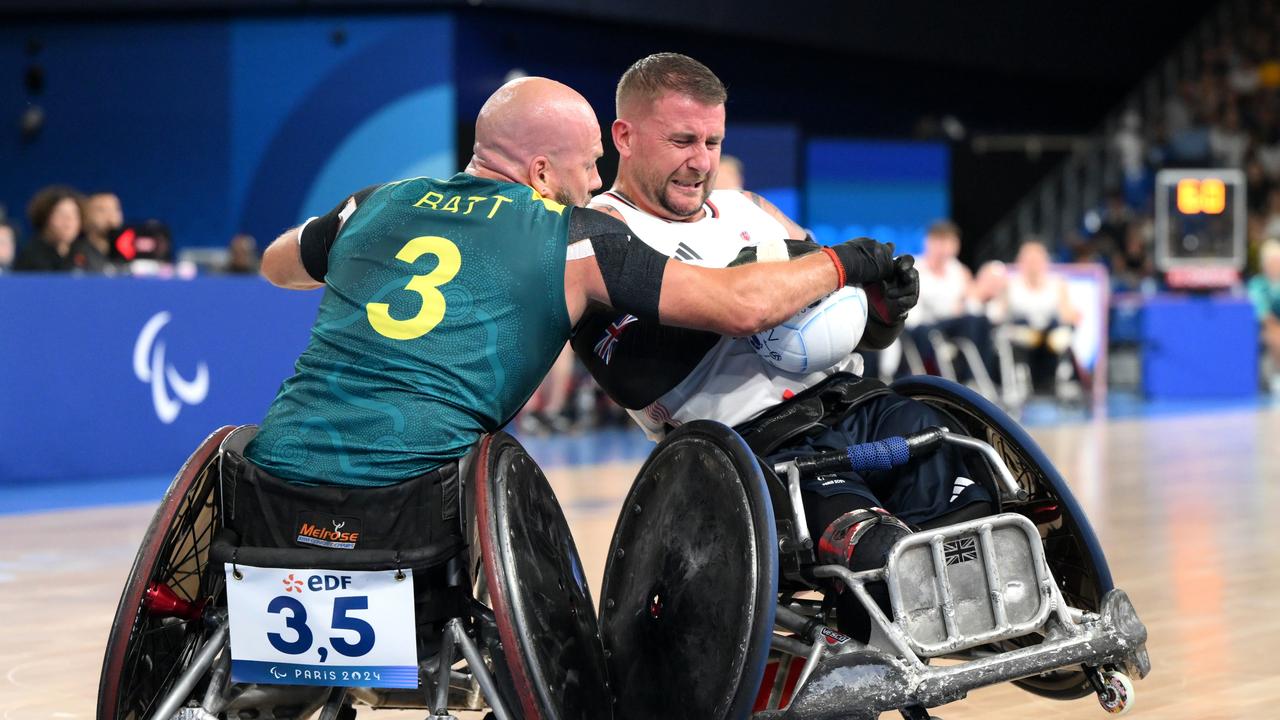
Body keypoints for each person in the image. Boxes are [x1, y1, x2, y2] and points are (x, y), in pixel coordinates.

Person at [241, 76, 893, 496]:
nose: (593, 184)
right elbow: (741, 304)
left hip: (280, 471)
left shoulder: (377, 203)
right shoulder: (574, 236)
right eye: (588, 169)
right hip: (420, 491)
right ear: (544, 171)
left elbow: (276, 265)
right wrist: (847, 262)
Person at [571, 54, 991, 641]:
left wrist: (879, 313)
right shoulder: (594, 237)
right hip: (755, 446)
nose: (701, 161)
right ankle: (864, 652)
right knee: (879, 550)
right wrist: (805, 277)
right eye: (682, 140)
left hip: (855, 402)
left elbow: (832, 316)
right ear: (625, 136)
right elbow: (657, 362)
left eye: (713, 141)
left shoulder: (750, 209)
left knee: (973, 503)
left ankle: (980, 622)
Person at [903, 220, 997, 383]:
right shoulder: (915, 268)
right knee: (928, 332)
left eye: (950, 242)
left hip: (950, 323)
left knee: (980, 321)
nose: (945, 248)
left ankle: (976, 380)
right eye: (940, 242)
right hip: (921, 325)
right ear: (929, 242)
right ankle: (947, 382)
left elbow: (970, 303)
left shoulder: (959, 271)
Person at [992, 239, 1081, 396]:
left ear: (1045, 261)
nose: (1033, 264)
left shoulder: (1057, 284)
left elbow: (1068, 314)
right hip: (1022, 334)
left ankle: (1055, 382)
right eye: (1029, 260)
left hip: (1048, 336)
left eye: (1037, 260)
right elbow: (998, 314)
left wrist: (1074, 317)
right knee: (1020, 328)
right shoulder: (1010, 285)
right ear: (1020, 261)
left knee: (1057, 333)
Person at [14, 185, 84, 272]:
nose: (69, 221)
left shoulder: (82, 254)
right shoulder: (31, 257)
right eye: (61, 214)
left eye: (74, 215)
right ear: (45, 218)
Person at [1248, 238, 1280, 394]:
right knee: (1275, 333)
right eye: (1272, 262)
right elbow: (1263, 314)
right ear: (1264, 265)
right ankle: (1277, 375)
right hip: (1262, 329)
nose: (1276, 266)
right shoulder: (1258, 284)